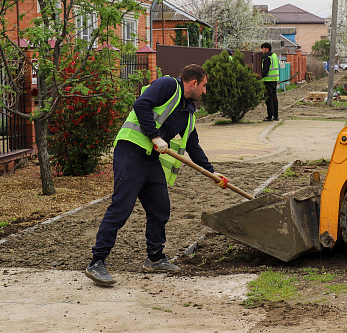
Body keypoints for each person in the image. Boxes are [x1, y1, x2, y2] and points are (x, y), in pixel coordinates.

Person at [85, 64, 229, 286]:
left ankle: (154, 258)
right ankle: (97, 261)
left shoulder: (188, 110)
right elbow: (141, 104)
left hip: (150, 160)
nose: (205, 91)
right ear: (193, 83)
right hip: (131, 151)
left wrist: (211, 172)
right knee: (121, 208)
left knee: (160, 208)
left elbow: (193, 144)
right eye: (204, 86)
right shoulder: (168, 85)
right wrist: (154, 136)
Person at [261, 42, 279, 121]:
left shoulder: (267, 58)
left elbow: (265, 71)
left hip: (268, 81)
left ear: (266, 49)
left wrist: (258, 77)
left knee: (269, 99)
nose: (262, 51)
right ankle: (276, 116)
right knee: (274, 98)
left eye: (263, 49)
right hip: (274, 80)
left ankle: (270, 116)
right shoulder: (274, 56)